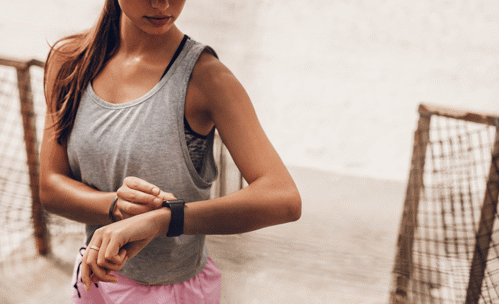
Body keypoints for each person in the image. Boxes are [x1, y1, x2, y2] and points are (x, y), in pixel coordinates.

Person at [40, 0, 301, 302]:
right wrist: (115, 206)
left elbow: (284, 198)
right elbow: (50, 187)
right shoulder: (70, 62)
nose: (162, 4)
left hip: (174, 293)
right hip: (93, 278)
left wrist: (166, 219)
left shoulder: (207, 79)